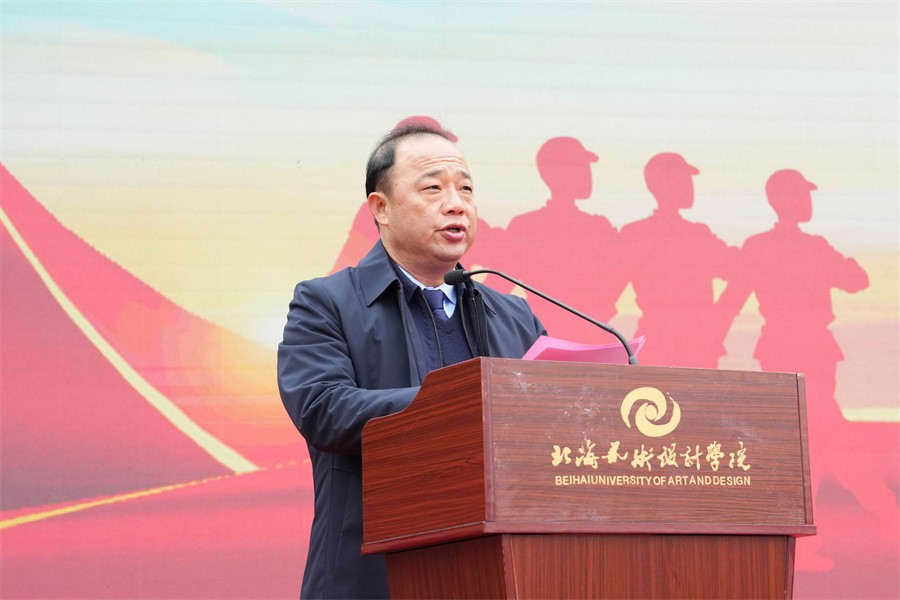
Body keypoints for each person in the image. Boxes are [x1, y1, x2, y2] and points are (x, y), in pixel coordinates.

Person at [277, 123, 545, 598]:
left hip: (496, 574)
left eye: (466, 189)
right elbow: (323, 409)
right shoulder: (327, 303)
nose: (456, 204)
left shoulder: (515, 315)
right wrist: (459, 403)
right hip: (374, 576)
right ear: (381, 208)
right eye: (433, 188)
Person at [618, 152, 739, 368]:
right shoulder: (639, 234)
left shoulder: (697, 234)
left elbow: (739, 269)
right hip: (661, 342)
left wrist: (720, 317)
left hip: (697, 343)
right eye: (684, 179)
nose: (690, 186)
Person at [500, 136, 626, 343]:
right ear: (554, 174)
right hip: (540, 339)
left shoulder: (600, 226)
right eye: (580, 167)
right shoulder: (525, 226)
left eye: (586, 167)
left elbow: (617, 279)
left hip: (594, 336)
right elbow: (498, 291)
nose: (588, 174)